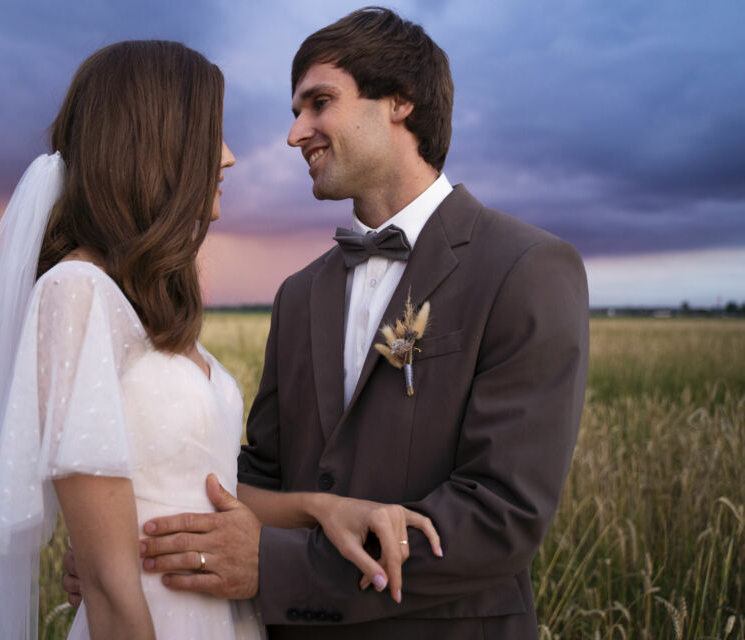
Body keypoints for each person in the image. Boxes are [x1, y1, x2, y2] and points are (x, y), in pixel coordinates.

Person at [0, 39, 440, 640]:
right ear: (154, 142)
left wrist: (321, 509)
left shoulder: (146, 307)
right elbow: (107, 587)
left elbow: (204, 493)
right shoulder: (74, 292)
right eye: (211, 134)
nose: (228, 157)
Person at [87, 8, 590, 639]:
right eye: (295, 111)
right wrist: (134, 547)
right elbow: (260, 474)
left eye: (318, 103)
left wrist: (274, 568)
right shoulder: (298, 295)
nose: (296, 133)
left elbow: (501, 516)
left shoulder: (527, 267)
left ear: (401, 101)